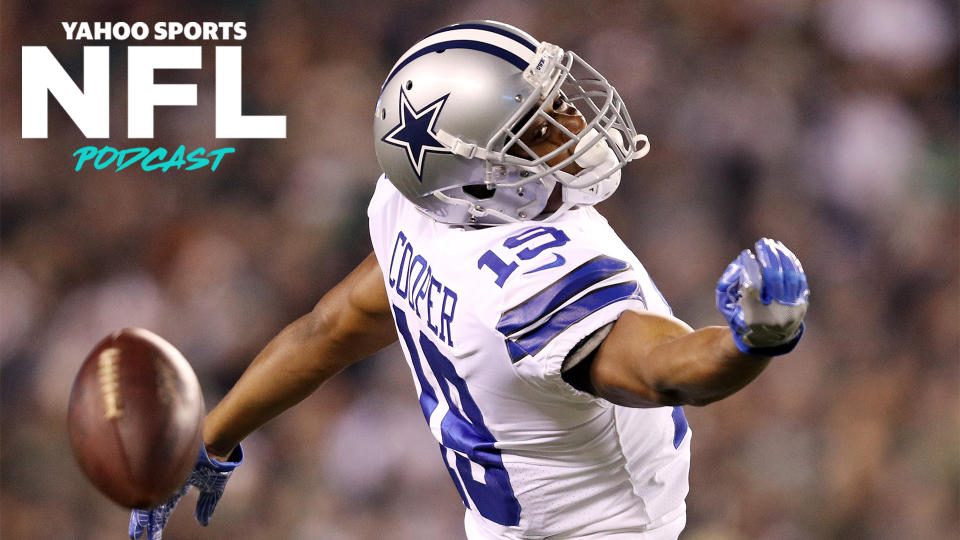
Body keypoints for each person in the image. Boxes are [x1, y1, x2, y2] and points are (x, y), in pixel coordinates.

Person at [129, 20, 809, 540]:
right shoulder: (536, 278)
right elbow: (665, 369)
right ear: (475, 175)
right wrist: (753, 342)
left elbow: (329, 328)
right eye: (536, 128)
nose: (574, 123)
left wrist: (212, 435)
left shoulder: (414, 210)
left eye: (558, 103)